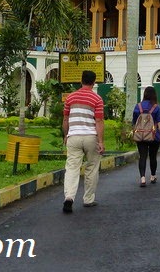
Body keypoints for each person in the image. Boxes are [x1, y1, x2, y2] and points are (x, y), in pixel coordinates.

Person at [62, 70, 105, 213]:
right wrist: (101, 141)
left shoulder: (70, 98)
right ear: (94, 83)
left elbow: (65, 119)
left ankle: (69, 197)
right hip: (90, 137)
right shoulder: (97, 99)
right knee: (92, 167)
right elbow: (98, 120)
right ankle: (88, 199)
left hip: (73, 137)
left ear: (81, 81)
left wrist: (66, 135)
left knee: (72, 168)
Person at [132, 86, 160, 187]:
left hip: (140, 135)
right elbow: (159, 123)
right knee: (153, 157)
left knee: (142, 156)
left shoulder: (138, 106)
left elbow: (134, 122)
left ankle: (142, 178)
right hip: (153, 136)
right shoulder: (156, 107)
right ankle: (152, 176)